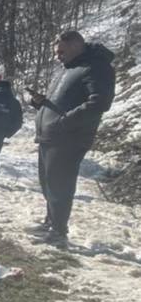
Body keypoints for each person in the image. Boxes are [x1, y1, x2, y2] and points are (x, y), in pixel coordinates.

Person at [29, 31, 115, 247]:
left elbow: (99, 102)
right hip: (51, 135)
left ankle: (59, 232)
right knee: (48, 183)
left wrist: (64, 121)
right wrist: (43, 103)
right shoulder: (68, 69)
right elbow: (64, 101)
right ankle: (51, 223)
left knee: (60, 185)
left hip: (69, 137)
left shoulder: (97, 67)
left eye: (61, 51)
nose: (58, 56)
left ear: (76, 44)